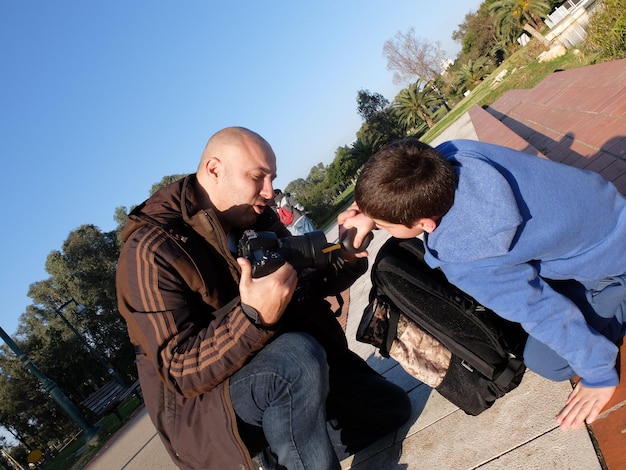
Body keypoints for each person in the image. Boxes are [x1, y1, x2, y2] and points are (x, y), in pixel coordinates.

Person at [115, 127, 411, 469]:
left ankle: (277, 453)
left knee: (389, 409)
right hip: (214, 408)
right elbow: (179, 369)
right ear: (214, 169)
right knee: (296, 358)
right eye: (258, 177)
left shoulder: (256, 217)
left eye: (272, 178)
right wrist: (253, 317)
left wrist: (345, 252)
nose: (270, 192)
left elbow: (305, 285)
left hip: (285, 363)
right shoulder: (151, 251)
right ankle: (255, 456)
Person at [345, 137, 626, 432]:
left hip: (611, 266)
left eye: (385, 226)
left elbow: (541, 311)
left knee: (547, 360)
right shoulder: (453, 154)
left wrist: (598, 375)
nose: (380, 228)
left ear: (426, 224)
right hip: (608, 212)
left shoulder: (465, 255)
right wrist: (371, 209)